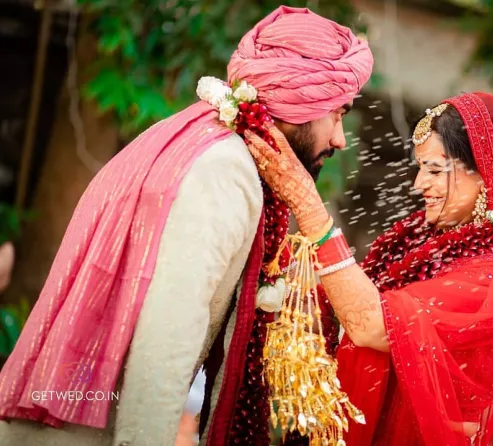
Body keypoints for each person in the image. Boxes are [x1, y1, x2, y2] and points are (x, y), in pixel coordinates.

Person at [0, 6, 372, 446]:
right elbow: (165, 344)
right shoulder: (224, 171)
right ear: (299, 101)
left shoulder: (193, 139)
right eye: (338, 113)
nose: (339, 139)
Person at [245, 92, 493, 445]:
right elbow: (341, 311)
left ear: (483, 175)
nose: (419, 184)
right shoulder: (422, 240)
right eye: (420, 168)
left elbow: (371, 325)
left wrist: (308, 206)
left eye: (435, 170)